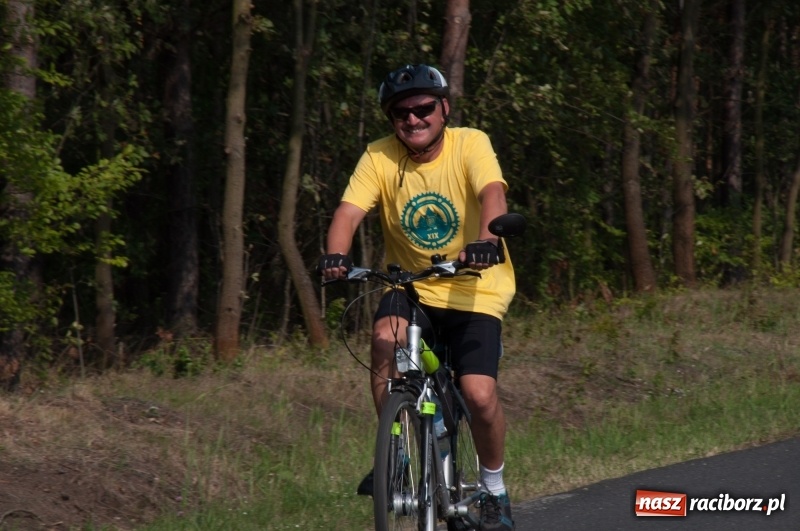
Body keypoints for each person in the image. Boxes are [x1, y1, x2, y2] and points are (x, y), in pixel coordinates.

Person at [318, 64, 516, 531]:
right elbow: (348, 212)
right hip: (412, 284)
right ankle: (400, 455)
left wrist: (487, 240)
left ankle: (494, 490)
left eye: (424, 108)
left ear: (443, 108)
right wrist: (335, 255)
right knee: (383, 338)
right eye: (401, 113)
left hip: (474, 287)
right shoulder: (379, 157)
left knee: (479, 394)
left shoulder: (471, 143)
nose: (413, 119)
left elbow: (492, 192)